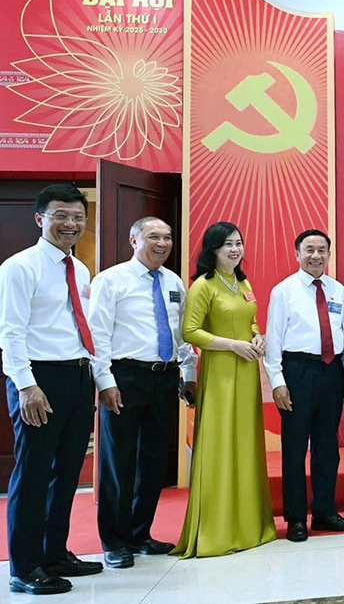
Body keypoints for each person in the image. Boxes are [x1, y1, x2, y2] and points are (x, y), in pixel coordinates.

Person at [0, 184, 104, 595]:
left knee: (65, 473)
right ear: (40, 218)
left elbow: (81, 324)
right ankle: (25, 568)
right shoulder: (19, 267)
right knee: (34, 473)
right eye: (61, 215)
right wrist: (26, 385)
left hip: (77, 376)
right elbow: (10, 332)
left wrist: (94, 378)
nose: (70, 224)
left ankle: (54, 552)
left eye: (78, 217)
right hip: (39, 379)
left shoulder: (79, 269)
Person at [88, 217, 198, 569]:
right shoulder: (111, 280)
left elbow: (181, 333)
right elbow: (97, 335)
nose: (162, 243)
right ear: (134, 240)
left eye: (167, 237)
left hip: (164, 378)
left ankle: (140, 533)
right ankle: (114, 541)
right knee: (119, 460)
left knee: (153, 460)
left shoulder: (173, 281)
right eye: (153, 236)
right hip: (125, 376)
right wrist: (104, 381)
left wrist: (189, 373)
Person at [173, 222, 276, 557]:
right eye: (227, 244)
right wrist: (232, 344)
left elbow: (250, 319)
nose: (235, 250)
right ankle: (217, 529)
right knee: (220, 443)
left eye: (239, 243)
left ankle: (248, 525)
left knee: (245, 442)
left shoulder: (242, 282)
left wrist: (257, 334)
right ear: (212, 249)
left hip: (246, 371)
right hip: (219, 372)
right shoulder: (203, 285)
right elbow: (190, 331)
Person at [265, 229, 344, 541]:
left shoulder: (338, 289)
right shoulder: (284, 291)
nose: (316, 256)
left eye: (322, 250)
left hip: (332, 371)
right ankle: (295, 518)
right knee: (294, 448)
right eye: (309, 250)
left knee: (327, 447)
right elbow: (273, 341)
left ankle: (325, 512)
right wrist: (278, 382)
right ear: (297, 254)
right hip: (297, 372)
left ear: (329, 255)